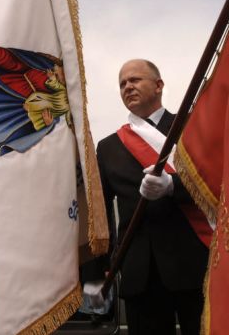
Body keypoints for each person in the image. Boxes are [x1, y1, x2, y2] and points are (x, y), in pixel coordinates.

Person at [84, 59, 209, 335]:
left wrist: (172, 186)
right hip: (140, 274)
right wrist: (97, 274)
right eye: (122, 84)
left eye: (135, 80)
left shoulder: (189, 127)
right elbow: (101, 214)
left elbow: (214, 183)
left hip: (194, 264)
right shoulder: (109, 147)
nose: (128, 87)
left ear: (159, 85)